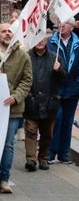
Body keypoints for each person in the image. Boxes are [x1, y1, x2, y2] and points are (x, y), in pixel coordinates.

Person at [0, 22, 33, 194]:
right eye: (4, 31)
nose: (8, 34)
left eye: (10, 31)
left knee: (7, 145)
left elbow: (27, 80)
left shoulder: (23, 56)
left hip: (12, 109)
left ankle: (4, 179)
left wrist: (16, 97)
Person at [23, 36, 65, 172]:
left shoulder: (54, 56)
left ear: (46, 41)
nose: (40, 42)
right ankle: (31, 159)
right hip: (31, 101)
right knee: (30, 131)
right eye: (37, 39)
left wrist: (59, 70)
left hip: (49, 103)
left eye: (43, 40)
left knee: (47, 134)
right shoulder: (27, 56)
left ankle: (43, 157)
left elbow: (63, 79)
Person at [47, 17, 79, 164]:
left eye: (65, 23)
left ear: (72, 27)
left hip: (73, 88)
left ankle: (64, 153)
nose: (61, 25)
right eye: (60, 22)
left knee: (68, 121)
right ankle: (51, 152)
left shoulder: (77, 43)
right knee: (57, 119)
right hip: (56, 88)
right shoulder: (51, 42)